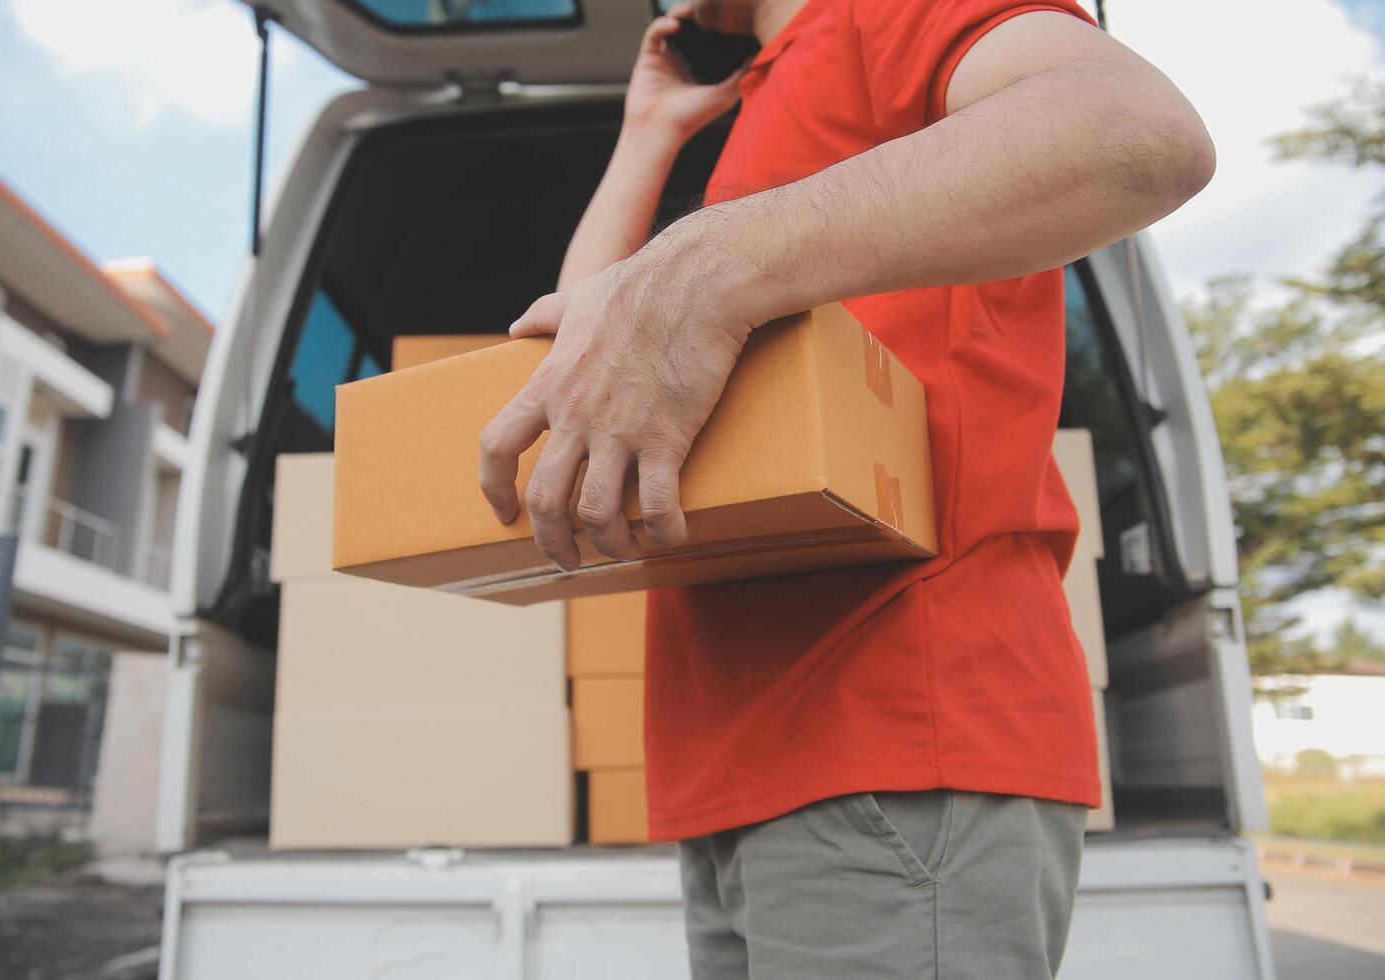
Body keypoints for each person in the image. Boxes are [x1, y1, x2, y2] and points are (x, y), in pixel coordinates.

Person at [478, 1, 1213, 976]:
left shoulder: (883, 9)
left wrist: (707, 264)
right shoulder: (775, 91)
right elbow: (582, 346)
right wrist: (646, 137)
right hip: (737, 752)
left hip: (897, 724)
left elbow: (1135, 129)